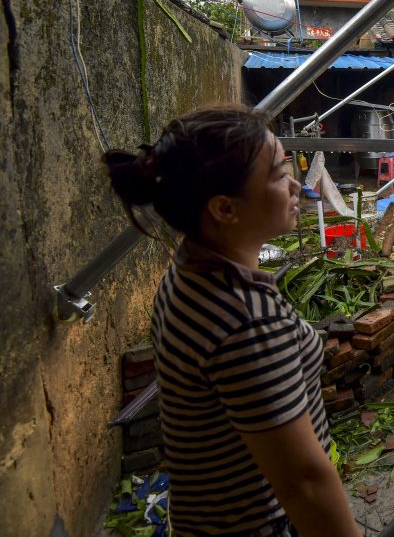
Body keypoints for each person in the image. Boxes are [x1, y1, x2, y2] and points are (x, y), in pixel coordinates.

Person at [105, 105, 361, 537]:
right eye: (279, 175)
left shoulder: (188, 267)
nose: (296, 185)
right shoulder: (246, 321)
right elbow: (304, 483)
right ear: (224, 208)